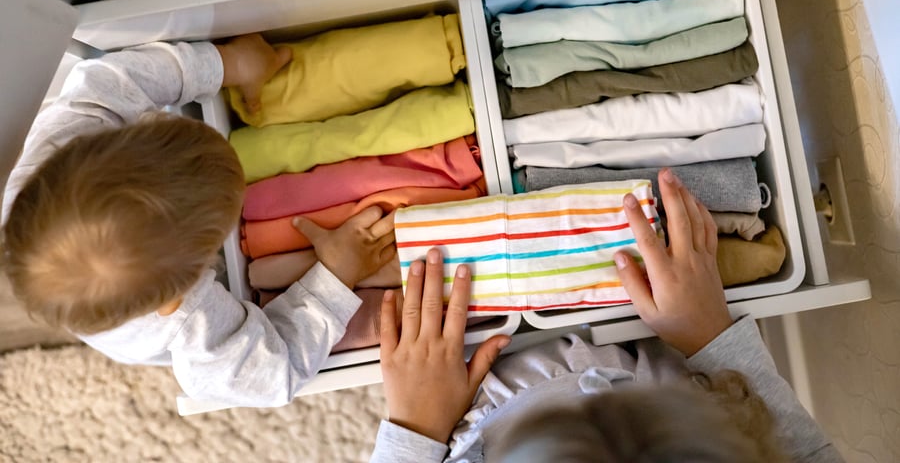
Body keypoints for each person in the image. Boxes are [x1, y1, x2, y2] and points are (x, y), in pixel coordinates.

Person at [0, 34, 396, 407]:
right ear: (191, 281)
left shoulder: (60, 146)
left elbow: (114, 77)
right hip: (154, 330)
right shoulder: (191, 321)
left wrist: (230, 63)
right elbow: (274, 373)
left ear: (90, 146)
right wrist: (335, 276)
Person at [371, 168, 843, 462]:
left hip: (466, 407)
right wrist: (714, 340)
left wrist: (415, 430)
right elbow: (807, 454)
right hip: (678, 358)